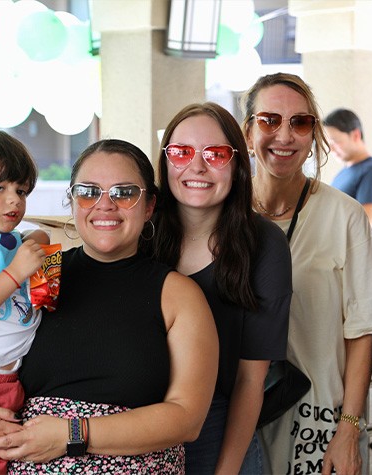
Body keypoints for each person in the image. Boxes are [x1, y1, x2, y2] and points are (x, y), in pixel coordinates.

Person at [0, 139, 219, 474]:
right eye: (88, 191)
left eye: (124, 193)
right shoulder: (37, 274)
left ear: (149, 205)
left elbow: (187, 418)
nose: (104, 205)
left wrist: (72, 434)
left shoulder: (178, 294)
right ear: (72, 201)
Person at [241, 73, 372, 475]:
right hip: (235, 419)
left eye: (299, 123)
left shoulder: (346, 216)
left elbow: (361, 330)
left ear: (313, 136)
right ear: (248, 132)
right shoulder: (224, 215)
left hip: (319, 420)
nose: (284, 135)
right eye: (269, 120)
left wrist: (349, 430)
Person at [147, 102, 292, 474]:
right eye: (181, 152)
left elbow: (250, 379)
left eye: (216, 154)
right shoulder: (140, 234)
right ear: (164, 161)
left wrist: (226, 470)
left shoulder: (264, 244)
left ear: (238, 165)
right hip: (141, 425)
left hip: (221, 428)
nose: (197, 166)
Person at [0, 128, 49, 475]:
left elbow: (37, 235)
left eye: (21, 190)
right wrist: (15, 273)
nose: (14, 200)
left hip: (12, 378)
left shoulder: (5, 238)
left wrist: (36, 240)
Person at [324, 108, 372, 234]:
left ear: (355, 135)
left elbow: (366, 226)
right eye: (329, 142)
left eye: (335, 141)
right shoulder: (344, 172)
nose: (330, 148)